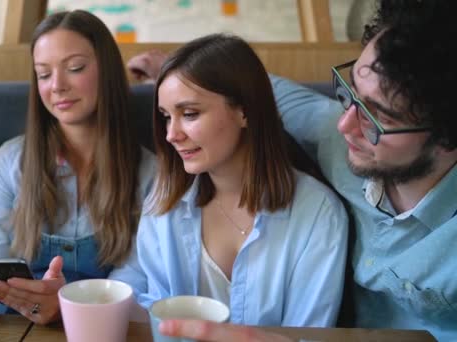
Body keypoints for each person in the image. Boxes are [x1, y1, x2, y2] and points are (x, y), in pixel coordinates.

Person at [130, 1, 457, 340]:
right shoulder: (332, 134)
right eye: (350, 95)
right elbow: (256, 88)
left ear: (447, 137)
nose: (345, 124)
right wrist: (175, 70)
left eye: (379, 118)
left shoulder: (314, 212)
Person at [129, 33, 348, 327]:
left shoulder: (318, 213)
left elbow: (310, 333)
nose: (171, 134)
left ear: (244, 111)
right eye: (166, 116)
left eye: (190, 114)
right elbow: (158, 313)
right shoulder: (163, 204)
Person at [0, 10, 156, 324]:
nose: (57, 86)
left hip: (106, 327)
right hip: (17, 326)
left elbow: (138, 284)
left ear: (107, 72)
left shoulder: (150, 174)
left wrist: (67, 309)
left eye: (75, 68)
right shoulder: (5, 166)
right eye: (44, 73)